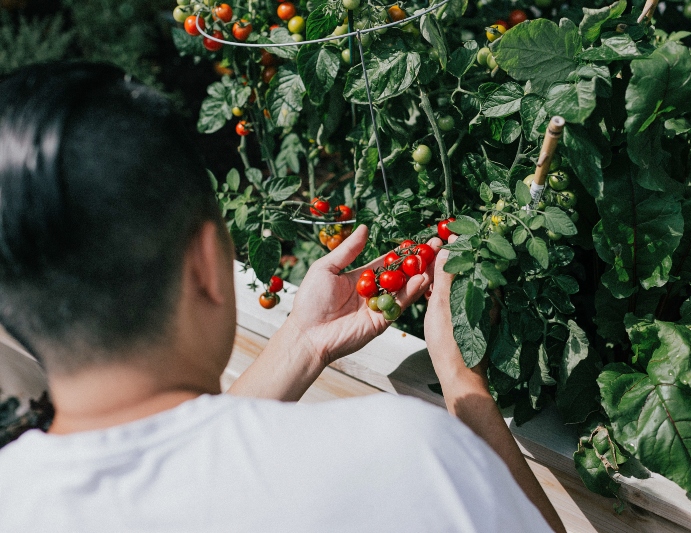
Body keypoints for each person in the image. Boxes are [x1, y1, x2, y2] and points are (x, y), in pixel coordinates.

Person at [0, 62, 565, 533]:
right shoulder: (404, 456)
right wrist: (464, 384)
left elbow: (183, 456)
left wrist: (302, 340)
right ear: (205, 265)